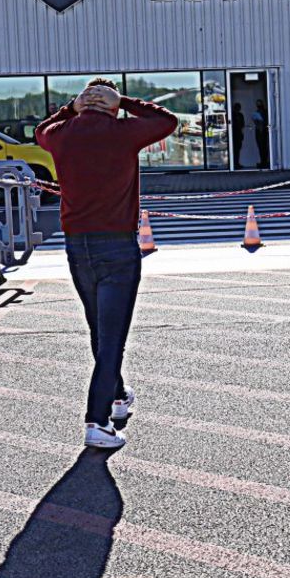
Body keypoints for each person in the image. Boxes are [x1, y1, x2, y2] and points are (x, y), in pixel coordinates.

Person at [35, 78, 177, 449]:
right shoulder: (124, 132)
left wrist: (71, 108)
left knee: (100, 328)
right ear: (113, 106)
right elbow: (168, 121)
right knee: (112, 338)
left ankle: (117, 396)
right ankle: (97, 422)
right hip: (117, 246)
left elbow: (40, 130)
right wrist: (124, 101)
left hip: (77, 246)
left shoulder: (62, 134)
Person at [253, 98, 270, 169]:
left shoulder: (265, 112)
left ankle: (264, 162)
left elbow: (265, 121)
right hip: (258, 131)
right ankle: (263, 162)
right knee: (260, 147)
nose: (258, 105)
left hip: (263, 131)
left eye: (259, 104)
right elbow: (256, 121)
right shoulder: (257, 112)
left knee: (264, 147)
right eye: (257, 104)